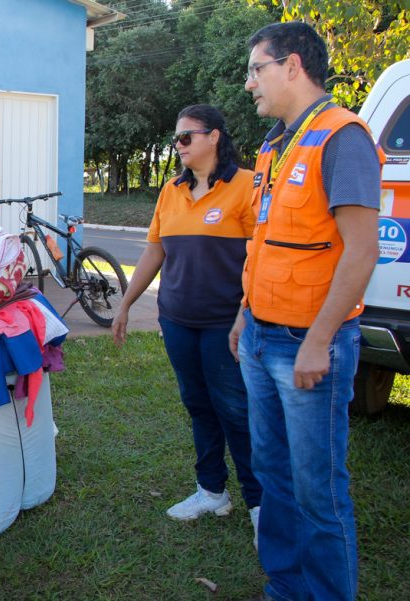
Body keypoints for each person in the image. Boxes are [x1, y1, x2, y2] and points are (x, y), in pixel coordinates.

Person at [230, 22, 382, 601]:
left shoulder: (343, 138)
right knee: (274, 478)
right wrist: (245, 311)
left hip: (308, 345)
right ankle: (286, 589)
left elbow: (362, 251)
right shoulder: (274, 144)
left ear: (292, 65)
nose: (249, 84)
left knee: (318, 489)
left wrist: (319, 340)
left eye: (256, 69)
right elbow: (266, 240)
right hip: (261, 338)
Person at [112, 105, 262, 541]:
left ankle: (259, 502)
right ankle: (211, 490)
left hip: (225, 323)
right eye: (175, 139)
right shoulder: (172, 191)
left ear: (214, 137)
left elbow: (261, 258)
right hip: (178, 319)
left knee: (235, 409)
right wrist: (125, 305)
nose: (178, 147)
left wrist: (244, 314)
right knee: (198, 404)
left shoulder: (247, 185)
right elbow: (154, 252)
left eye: (185, 138)